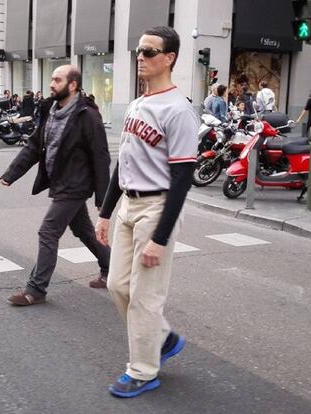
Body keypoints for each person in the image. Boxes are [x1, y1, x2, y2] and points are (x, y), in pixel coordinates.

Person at [95, 26, 199, 398]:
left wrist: (160, 237)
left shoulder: (179, 110)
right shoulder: (138, 105)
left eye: (149, 51)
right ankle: (163, 337)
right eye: (138, 50)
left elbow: (183, 176)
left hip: (157, 207)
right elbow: (124, 163)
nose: (140, 56)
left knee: (144, 297)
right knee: (116, 284)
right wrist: (106, 213)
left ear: (169, 58)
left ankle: (142, 370)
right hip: (128, 205)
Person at [0, 65, 111, 306]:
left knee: (48, 232)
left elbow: (101, 157)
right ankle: (111, 269)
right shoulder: (51, 109)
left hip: (75, 186)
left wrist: (104, 202)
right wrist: (12, 173)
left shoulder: (87, 116)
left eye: (57, 80)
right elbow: (34, 145)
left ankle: (36, 289)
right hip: (60, 182)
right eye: (52, 79)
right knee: (83, 231)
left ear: (72, 85)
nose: (51, 84)